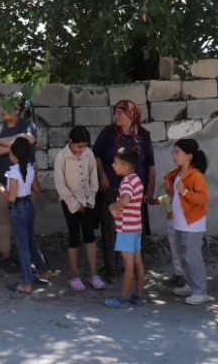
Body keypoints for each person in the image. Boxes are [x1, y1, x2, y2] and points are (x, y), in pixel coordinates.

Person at [93, 99, 155, 284]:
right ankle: (111, 269)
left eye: (120, 113)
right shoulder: (109, 132)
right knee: (110, 229)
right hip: (111, 189)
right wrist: (103, 176)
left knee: (134, 229)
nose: (116, 116)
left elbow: (150, 163)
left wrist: (151, 189)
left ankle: (134, 268)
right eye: (115, 113)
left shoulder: (143, 135)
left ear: (131, 115)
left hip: (136, 192)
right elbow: (95, 154)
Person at [0, 92, 37, 273]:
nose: (3, 110)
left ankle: (29, 257)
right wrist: (14, 146)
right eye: (2, 105)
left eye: (8, 106)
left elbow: (28, 140)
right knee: (2, 220)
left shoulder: (28, 125)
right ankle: (6, 257)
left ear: (18, 109)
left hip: (23, 184)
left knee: (24, 221)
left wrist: (1, 143)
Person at [0, 137, 52, 295]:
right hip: (29, 206)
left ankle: (26, 283)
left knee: (22, 246)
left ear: (12, 154)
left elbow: (12, 197)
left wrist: (0, 189)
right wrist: (36, 173)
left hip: (18, 209)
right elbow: (37, 189)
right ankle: (43, 272)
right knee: (30, 242)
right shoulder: (31, 169)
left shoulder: (13, 172)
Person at [53, 126, 105, 291]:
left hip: (87, 202)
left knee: (90, 237)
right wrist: (75, 203)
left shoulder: (89, 154)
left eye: (84, 146)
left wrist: (89, 199)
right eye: (79, 146)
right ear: (70, 142)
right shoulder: (61, 157)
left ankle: (93, 274)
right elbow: (60, 184)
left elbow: (93, 178)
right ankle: (74, 275)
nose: (82, 150)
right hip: (70, 203)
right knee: (74, 237)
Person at [162, 139, 211, 305]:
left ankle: (201, 291)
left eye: (178, 152)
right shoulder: (178, 173)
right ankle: (191, 285)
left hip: (193, 223)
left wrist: (185, 192)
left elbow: (203, 198)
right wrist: (170, 187)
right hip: (180, 222)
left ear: (189, 156)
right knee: (183, 256)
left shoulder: (196, 175)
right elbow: (176, 195)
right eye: (174, 151)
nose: (174, 155)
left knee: (193, 257)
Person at [104, 148, 145, 308]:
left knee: (128, 266)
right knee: (138, 263)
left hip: (126, 230)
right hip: (136, 228)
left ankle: (123, 298)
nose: (113, 166)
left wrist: (111, 207)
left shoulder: (127, 182)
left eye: (115, 163)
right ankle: (138, 296)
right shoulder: (137, 180)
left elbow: (125, 200)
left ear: (125, 167)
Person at [149, 193, 186, 287]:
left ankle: (185, 275)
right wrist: (147, 197)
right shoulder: (166, 197)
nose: (166, 186)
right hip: (171, 228)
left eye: (168, 183)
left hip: (181, 227)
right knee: (174, 250)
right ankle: (179, 273)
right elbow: (153, 202)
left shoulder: (182, 196)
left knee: (183, 250)